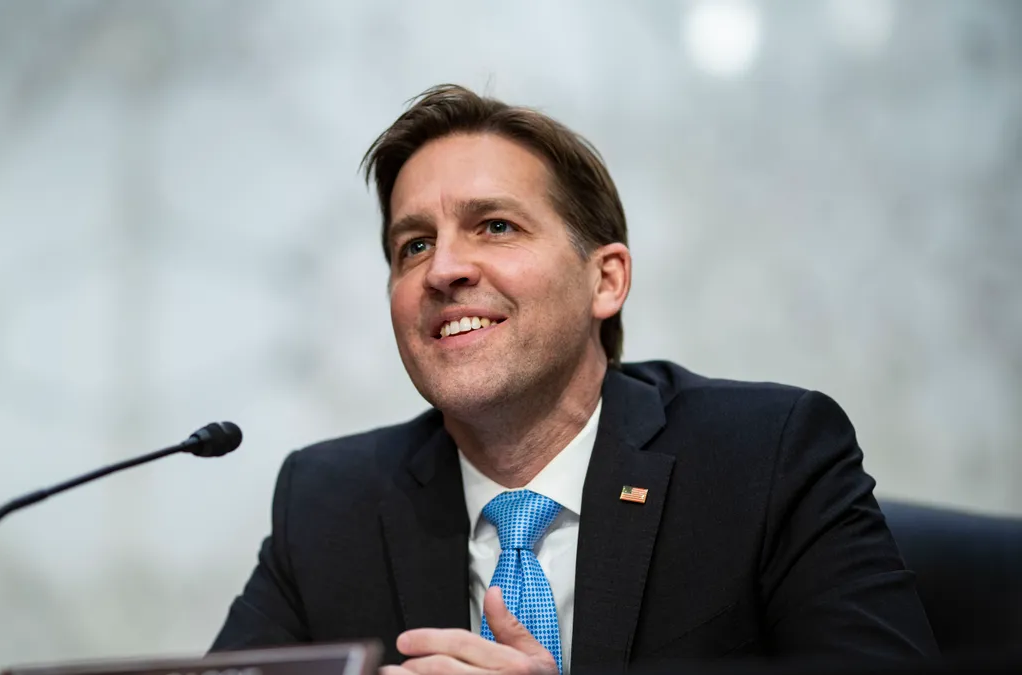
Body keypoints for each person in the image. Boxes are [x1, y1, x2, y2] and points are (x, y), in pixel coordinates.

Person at [208, 85, 937, 673]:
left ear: (605, 279)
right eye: (414, 244)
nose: (443, 269)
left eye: (495, 225)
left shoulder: (767, 458)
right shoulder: (328, 504)